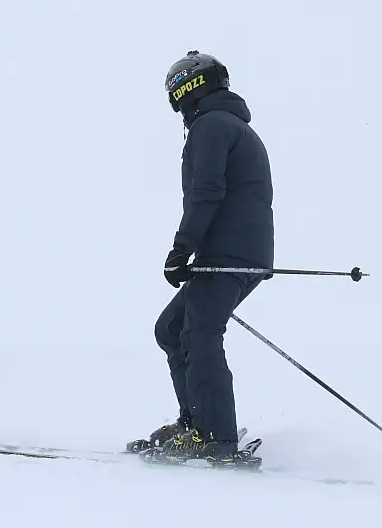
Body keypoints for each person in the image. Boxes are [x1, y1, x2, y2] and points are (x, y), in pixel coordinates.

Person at [134, 50, 272, 467]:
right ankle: (195, 423)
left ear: (187, 88)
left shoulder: (212, 126)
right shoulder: (224, 124)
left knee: (198, 333)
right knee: (173, 329)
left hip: (229, 254)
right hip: (234, 253)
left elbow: (206, 192)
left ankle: (215, 438)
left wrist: (181, 248)